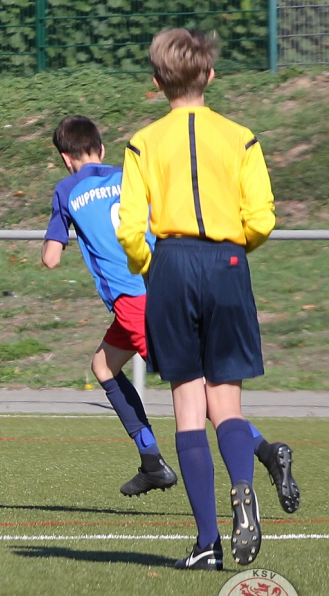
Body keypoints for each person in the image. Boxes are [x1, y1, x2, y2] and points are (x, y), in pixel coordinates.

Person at [117, 29, 299, 570]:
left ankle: (206, 543)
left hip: (172, 263)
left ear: (157, 82)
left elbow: (130, 228)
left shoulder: (143, 142)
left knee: (188, 406)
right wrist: (235, 251)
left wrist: (148, 265)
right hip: (227, 264)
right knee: (228, 403)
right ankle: (244, 484)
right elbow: (261, 217)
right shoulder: (241, 137)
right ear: (211, 76)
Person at [42, 116, 295, 507]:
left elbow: (51, 259)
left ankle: (266, 451)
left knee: (198, 392)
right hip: (165, 283)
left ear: (64, 158)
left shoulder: (66, 189)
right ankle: (151, 460)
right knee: (103, 366)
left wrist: (61, 235)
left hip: (133, 301)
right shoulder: (127, 174)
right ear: (102, 149)